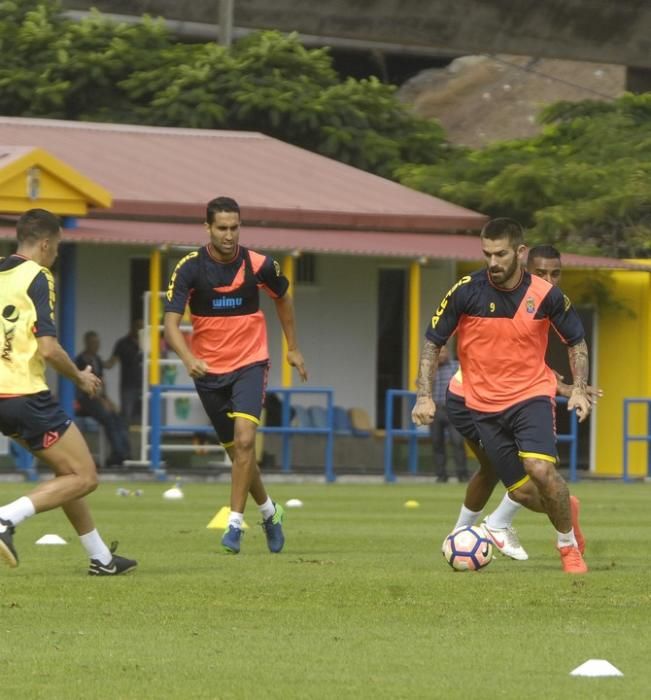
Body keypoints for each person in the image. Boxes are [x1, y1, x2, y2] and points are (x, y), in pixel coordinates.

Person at [412, 218, 591, 574]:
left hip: (530, 397)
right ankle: (565, 511)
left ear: (520, 253)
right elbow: (433, 343)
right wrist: (423, 396)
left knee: (541, 469)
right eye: (487, 254)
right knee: (525, 493)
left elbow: (576, 342)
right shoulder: (466, 291)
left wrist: (580, 388)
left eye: (501, 253)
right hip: (483, 407)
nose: (492, 262)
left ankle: (568, 547)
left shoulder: (545, 294)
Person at [164, 196, 307, 555]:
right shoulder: (190, 268)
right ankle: (271, 514)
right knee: (238, 454)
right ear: (208, 228)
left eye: (234, 227)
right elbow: (169, 325)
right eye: (222, 228)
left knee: (245, 444)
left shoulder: (260, 264)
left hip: (250, 364)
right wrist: (187, 357)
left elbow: (284, 297)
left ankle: (234, 525)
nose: (229, 235)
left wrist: (292, 346)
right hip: (208, 371)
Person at [0, 208, 136, 575]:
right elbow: (47, 348)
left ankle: (102, 559)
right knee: (86, 477)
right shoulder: (38, 276)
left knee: (67, 474)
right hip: (24, 394)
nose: (57, 254)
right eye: (57, 247)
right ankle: (5, 520)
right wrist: (79, 376)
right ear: (45, 244)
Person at [75, 331, 131, 467]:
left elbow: (102, 383)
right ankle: (118, 454)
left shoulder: (97, 360)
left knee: (118, 417)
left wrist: (109, 401)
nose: (96, 346)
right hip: (86, 399)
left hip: (99, 397)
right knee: (108, 418)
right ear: (87, 343)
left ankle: (126, 454)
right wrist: (102, 401)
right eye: (93, 343)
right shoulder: (80, 360)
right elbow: (83, 385)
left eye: (98, 343)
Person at [428, 345, 469, 483]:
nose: (441, 355)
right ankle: (441, 475)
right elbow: (421, 385)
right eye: (438, 352)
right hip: (436, 410)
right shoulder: (429, 369)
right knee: (437, 443)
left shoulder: (456, 367)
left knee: (457, 442)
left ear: (448, 353)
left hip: (452, 410)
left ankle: (462, 475)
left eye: (444, 351)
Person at [104, 319, 143, 425]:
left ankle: (145, 440)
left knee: (146, 417)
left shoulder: (147, 343)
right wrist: (97, 362)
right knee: (126, 416)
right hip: (128, 386)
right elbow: (111, 363)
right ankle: (125, 440)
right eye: (138, 327)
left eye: (142, 327)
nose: (140, 330)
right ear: (132, 327)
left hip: (145, 385)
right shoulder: (122, 343)